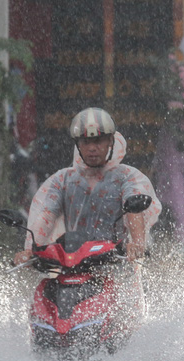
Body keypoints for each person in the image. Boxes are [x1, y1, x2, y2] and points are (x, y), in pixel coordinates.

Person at [12, 107, 162, 267]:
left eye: (98, 141)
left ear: (110, 141)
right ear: (78, 144)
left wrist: (137, 244)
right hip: (70, 266)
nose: (92, 148)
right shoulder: (62, 180)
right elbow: (46, 215)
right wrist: (31, 250)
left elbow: (133, 209)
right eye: (86, 142)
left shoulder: (125, 176)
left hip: (115, 266)